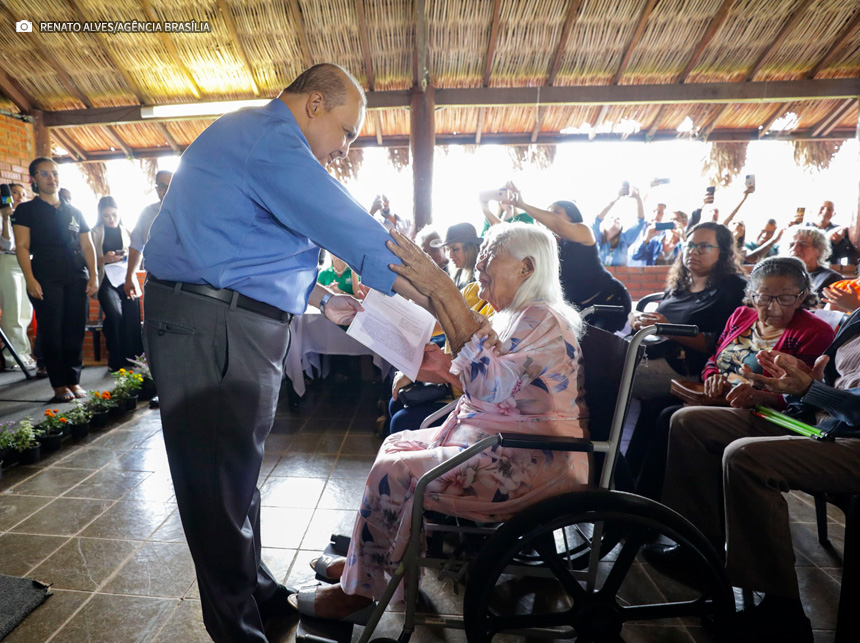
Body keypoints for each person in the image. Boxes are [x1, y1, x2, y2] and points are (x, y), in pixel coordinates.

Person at [140, 63, 428, 642]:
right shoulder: (270, 138)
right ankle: (238, 630)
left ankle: (262, 600)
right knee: (217, 491)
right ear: (315, 104)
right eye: (347, 132)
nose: (344, 149)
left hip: (227, 319)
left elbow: (259, 249)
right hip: (211, 324)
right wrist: (448, 302)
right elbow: (351, 228)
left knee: (235, 479)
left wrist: (321, 295)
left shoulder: (261, 142)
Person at [290, 222, 590, 620]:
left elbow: (486, 386)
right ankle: (374, 568)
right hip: (495, 440)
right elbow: (476, 376)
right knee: (395, 446)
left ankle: (362, 593)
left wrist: (444, 293)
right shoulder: (518, 314)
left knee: (398, 470)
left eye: (487, 269)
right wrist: (423, 358)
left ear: (526, 268)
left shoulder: (543, 319)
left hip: (533, 459)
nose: (479, 280)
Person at [660, 309, 860, 643]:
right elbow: (831, 382)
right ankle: (699, 549)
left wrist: (809, 388)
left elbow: (837, 399)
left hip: (851, 438)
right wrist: (786, 385)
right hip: (821, 421)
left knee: (746, 458)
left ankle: (781, 613)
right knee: (689, 420)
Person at [628, 256, 834, 501]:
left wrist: (759, 395)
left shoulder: (814, 331)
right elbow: (715, 358)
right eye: (765, 297)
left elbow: (804, 393)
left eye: (786, 297)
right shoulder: (740, 316)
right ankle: (634, 498)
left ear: (801, 296)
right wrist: (713, 376)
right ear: (752, 294)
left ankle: (661, 509)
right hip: (721, 399)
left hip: (769, 412)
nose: (774, 307)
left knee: (669, 417)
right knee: (654, 407)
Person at [628, 221, 747, 399]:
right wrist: (636, 318)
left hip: (689, 367)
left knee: (612, 374)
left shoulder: (733, 288)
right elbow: (656, 319)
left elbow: (721, 344)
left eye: (704, 246)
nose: (693, 251)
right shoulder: (680, 284)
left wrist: (668, 328)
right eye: (689, 245)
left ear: (722, 252)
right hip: (654, 352)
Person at [11, 158, 98, 402]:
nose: (52, 178)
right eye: (45, 174)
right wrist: (29, 279)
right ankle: (59, 384)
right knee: (52, 330)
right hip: (45, 275)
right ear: (34, 179)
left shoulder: (74, 210)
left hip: (75, 274)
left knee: (74, 330)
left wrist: (94, 275)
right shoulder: (26, 210)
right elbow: (22, 246)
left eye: (55, 173)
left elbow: (87, 245)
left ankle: (73, 380)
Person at [502, 187, 631, 332]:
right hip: (580, 309)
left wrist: (522, 205)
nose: (550, 216)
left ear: (572, 217)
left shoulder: (584, 232)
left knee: (596, 348)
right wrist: (486, 208)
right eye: (548, 212)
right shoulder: (550, 245)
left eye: (556, 212)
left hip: (610, 301)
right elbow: (510, 242)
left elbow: (558, 225)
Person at [90, 196, 142, 372]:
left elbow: (138, 255)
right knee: (114, 315)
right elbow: (86, 261)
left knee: (132, 314)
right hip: (105, 280)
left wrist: (125, 256)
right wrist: (105, 258)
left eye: (114, 215)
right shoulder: (94, 233)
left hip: (126, 277)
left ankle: (133, 358)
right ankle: (116, 360)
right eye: (106, 216)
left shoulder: (127, 232)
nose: (111, 219)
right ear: (100, 216)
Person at [0, 182, 36, 370]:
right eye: (15, 193)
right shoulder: (2, 214)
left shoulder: (23, 215)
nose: (19, 197)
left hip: (24, 263)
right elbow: (6, 244)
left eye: (22, 194)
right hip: (6, 263)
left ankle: (23, 352)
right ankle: (11, 358)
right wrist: (5, 218)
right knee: (13, 310)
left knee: (25, 311)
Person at [123, 170, 173, 300]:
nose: (167, 190)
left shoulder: (188, 212)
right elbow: (136, 246)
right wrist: (130, 276)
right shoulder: (147, 213)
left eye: (171, 185)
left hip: (183, 283)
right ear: (156, 188)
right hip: (154, 281)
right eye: (162, 186)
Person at [592, 185, 645, 266]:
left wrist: (638, 198)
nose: (615, 219)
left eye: (618, 219)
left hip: (619, 278)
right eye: (611, 218)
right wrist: (616, 198)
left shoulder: (625, 239)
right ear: (604, 226)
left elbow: (640, 222)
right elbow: (597, 219)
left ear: (621, 228)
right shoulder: (598, 237)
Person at [783, 225, 841, 298]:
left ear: (818, 250)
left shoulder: (830, 278)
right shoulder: (779, 276)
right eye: (791, 245)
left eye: (803, 245)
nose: (795, 249)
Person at [429, 222, 482, 288]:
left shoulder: (480, 277)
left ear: (470, 249)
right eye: (448, 249)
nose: (450, 255)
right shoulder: (456, 273)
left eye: (455, 249)